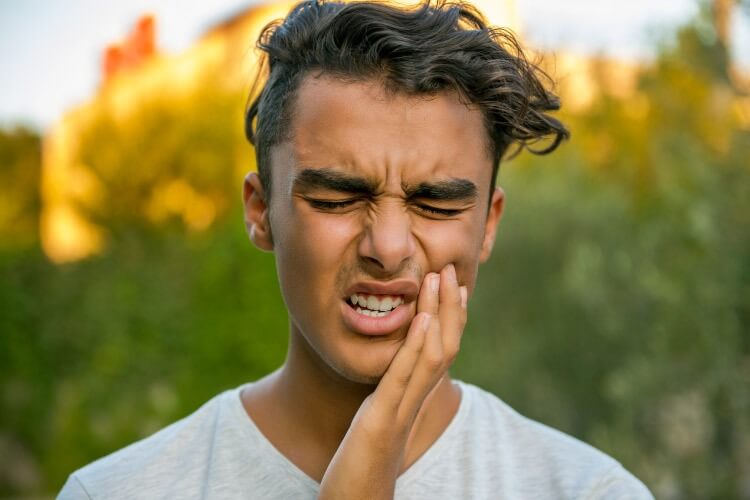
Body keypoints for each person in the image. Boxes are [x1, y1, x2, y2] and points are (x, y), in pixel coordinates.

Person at [59, 1, 654, 498]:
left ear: (488, 225)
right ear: (261, 211)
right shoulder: (114, 492)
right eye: (339, 198)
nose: (388, 249)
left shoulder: (588, 492)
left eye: (437, 204)